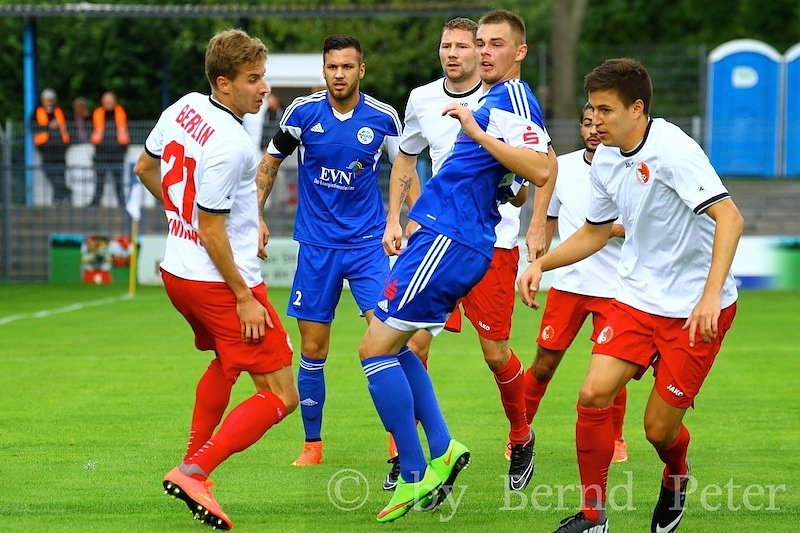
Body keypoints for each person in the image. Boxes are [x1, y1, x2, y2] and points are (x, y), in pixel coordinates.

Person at [518, 58, 743, 533]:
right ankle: (593, 515)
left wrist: (709, 297)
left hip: (695, 310)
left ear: (636, 109)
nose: (594, 121)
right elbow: (595, 232)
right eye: (592, 109)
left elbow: (730, 217)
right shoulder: (605, 159)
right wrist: (540, 264)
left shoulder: (673, 150)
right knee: (592, 394)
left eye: (606, 110)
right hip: (638, 299)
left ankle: (676, 475)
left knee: (658, 430)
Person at [363, 9, 550, 522]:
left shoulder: (510, 97)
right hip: (439, 233)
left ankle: (419, 469)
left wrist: (476, 131)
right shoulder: (475, 99)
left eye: (493, 44)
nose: (482, 52)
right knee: (396, 345)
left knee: (376, 349)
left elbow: (541, 168)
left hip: (453, 238)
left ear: (519, 52)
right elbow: (509, 176)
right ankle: (432, 453)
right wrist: (399, 217)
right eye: (479, 43)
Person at [133, 29, 298, 531]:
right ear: (224, 83)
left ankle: (193, 461)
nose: (264, 88)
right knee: (281, 394)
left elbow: (145, 168)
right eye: (253, 79)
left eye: (263, 76)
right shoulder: (232, 143)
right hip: (220, 283)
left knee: (227, 365)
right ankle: (195, 472)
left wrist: (229, 223)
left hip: (178, 272)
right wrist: (244, 296)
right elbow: (210, 228)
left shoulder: (184, 107)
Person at [257, 34, 401, 467]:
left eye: (347, 66)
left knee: (387, 340)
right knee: (314, 348)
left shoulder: (384, 118)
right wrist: (256, 217)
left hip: (368, 247)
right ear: (324, 70)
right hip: (317, 248)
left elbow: (406, 171)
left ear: (361, 70)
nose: (339, 74)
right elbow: (269, 164)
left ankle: (398, 440)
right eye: (332, 67)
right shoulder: (301, 113)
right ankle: (312, 445)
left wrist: (406, 222)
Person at [523, 103, 630, 466]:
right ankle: (520, 432)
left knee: (611, 370)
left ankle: (615, 438)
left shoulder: (628, 169)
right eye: (586, 123)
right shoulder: (563, 168)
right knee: (543, 364)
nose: (593, 129)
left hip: (615, 289)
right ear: (581, 128)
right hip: (569, 285)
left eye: (599, 122)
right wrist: (537, 260)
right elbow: (549, 218)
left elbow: (638, 226)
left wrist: (605, 230)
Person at [31, 88, 71, 204]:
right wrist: (49, 126)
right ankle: (64, 191)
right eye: (47, 99)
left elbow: (67, 126)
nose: (49, 102)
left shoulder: (59, 111)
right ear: (43, 100)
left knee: (61, 171)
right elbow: (33, 127)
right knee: (49, 170)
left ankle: (57, 197)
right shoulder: (37, 112)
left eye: (51, 99)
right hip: (45, 147)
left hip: (60, 146)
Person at [90, 90, 130, 206]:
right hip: (101, 150)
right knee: (99, 178)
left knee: (118, 179)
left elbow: (125, 130)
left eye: (110, 100)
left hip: (117, 150)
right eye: (106, 100)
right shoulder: (97, 112)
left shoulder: (121, 112)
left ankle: (122, 203)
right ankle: (96, 202)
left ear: (114, 101)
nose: (108, 102)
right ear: (102, 102)